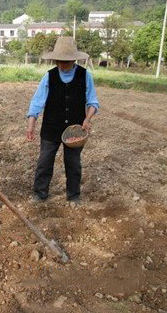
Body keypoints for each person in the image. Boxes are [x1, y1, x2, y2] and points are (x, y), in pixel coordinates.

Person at [26, 36, 99, 207]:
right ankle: (40, 194)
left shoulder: (85, 75)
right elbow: (37, 102)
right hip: (51, 128)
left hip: (75, 131)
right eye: (58, 61)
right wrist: (31, 124)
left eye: (65, 61)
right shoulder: (49, 77)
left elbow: (93, 102)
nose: (60, 65)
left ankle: (73, 196)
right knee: (44, 162)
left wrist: (87, 119)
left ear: (74, 59)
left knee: (73, 164)